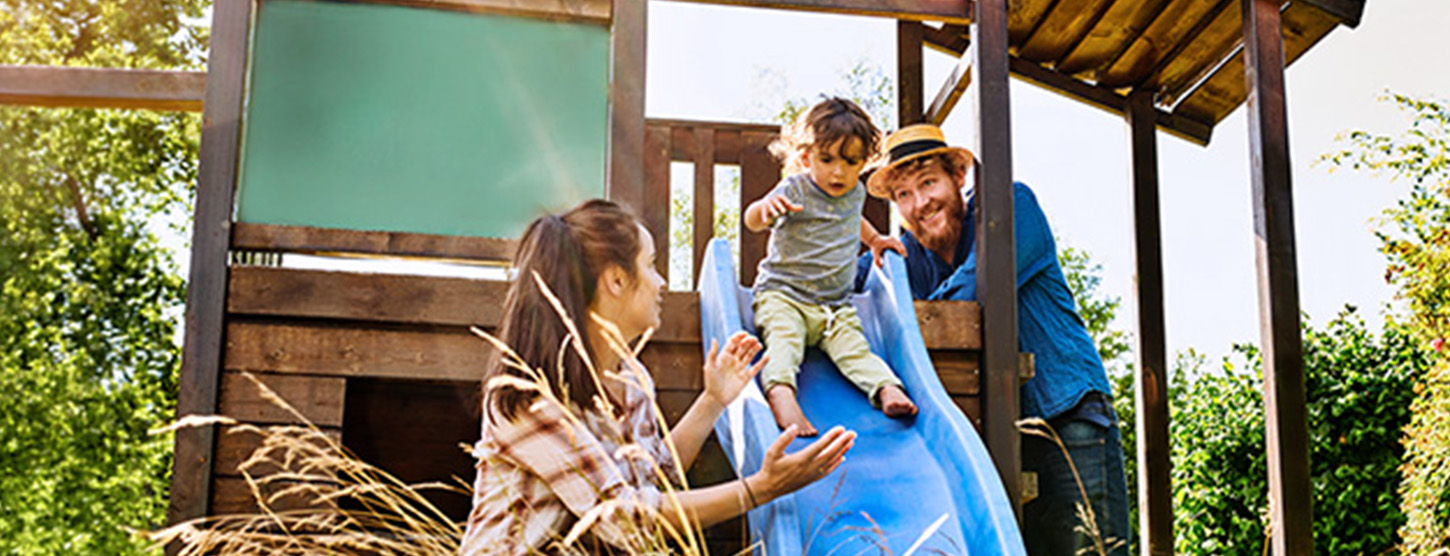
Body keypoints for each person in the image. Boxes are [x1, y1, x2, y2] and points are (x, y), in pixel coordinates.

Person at [460, 199, 857, 555]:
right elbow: (625, 520)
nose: (661, 282)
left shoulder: (631, 378)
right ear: (616, 280)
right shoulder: (529, 399)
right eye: (650, 265)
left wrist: (712, 400)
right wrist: (761, 488)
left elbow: (657, 477)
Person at [857, 124, 1130, 556]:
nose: (919, 203)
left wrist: (920, 303)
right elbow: (853, 293)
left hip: (1066, 414)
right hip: (992, 436)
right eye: (904, 195)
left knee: (1093, 549)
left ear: (957, 178)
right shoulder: (909, 257)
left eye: (928, 182)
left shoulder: (1010, 207)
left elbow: (976, 291)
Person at [743, 97, 916, 438]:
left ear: (864, 163)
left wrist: (876, 240)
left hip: (834, 306)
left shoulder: (854, 194)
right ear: (807, 157)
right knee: (784, 341)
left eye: (850, 162)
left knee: (854, 347)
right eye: (827, 160)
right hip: (784, 295)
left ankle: (885, 389)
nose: (838, 172)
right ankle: (781, 393)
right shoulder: (796, 188)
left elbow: (854, 220)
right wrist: (765, 208)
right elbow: (751, 220)